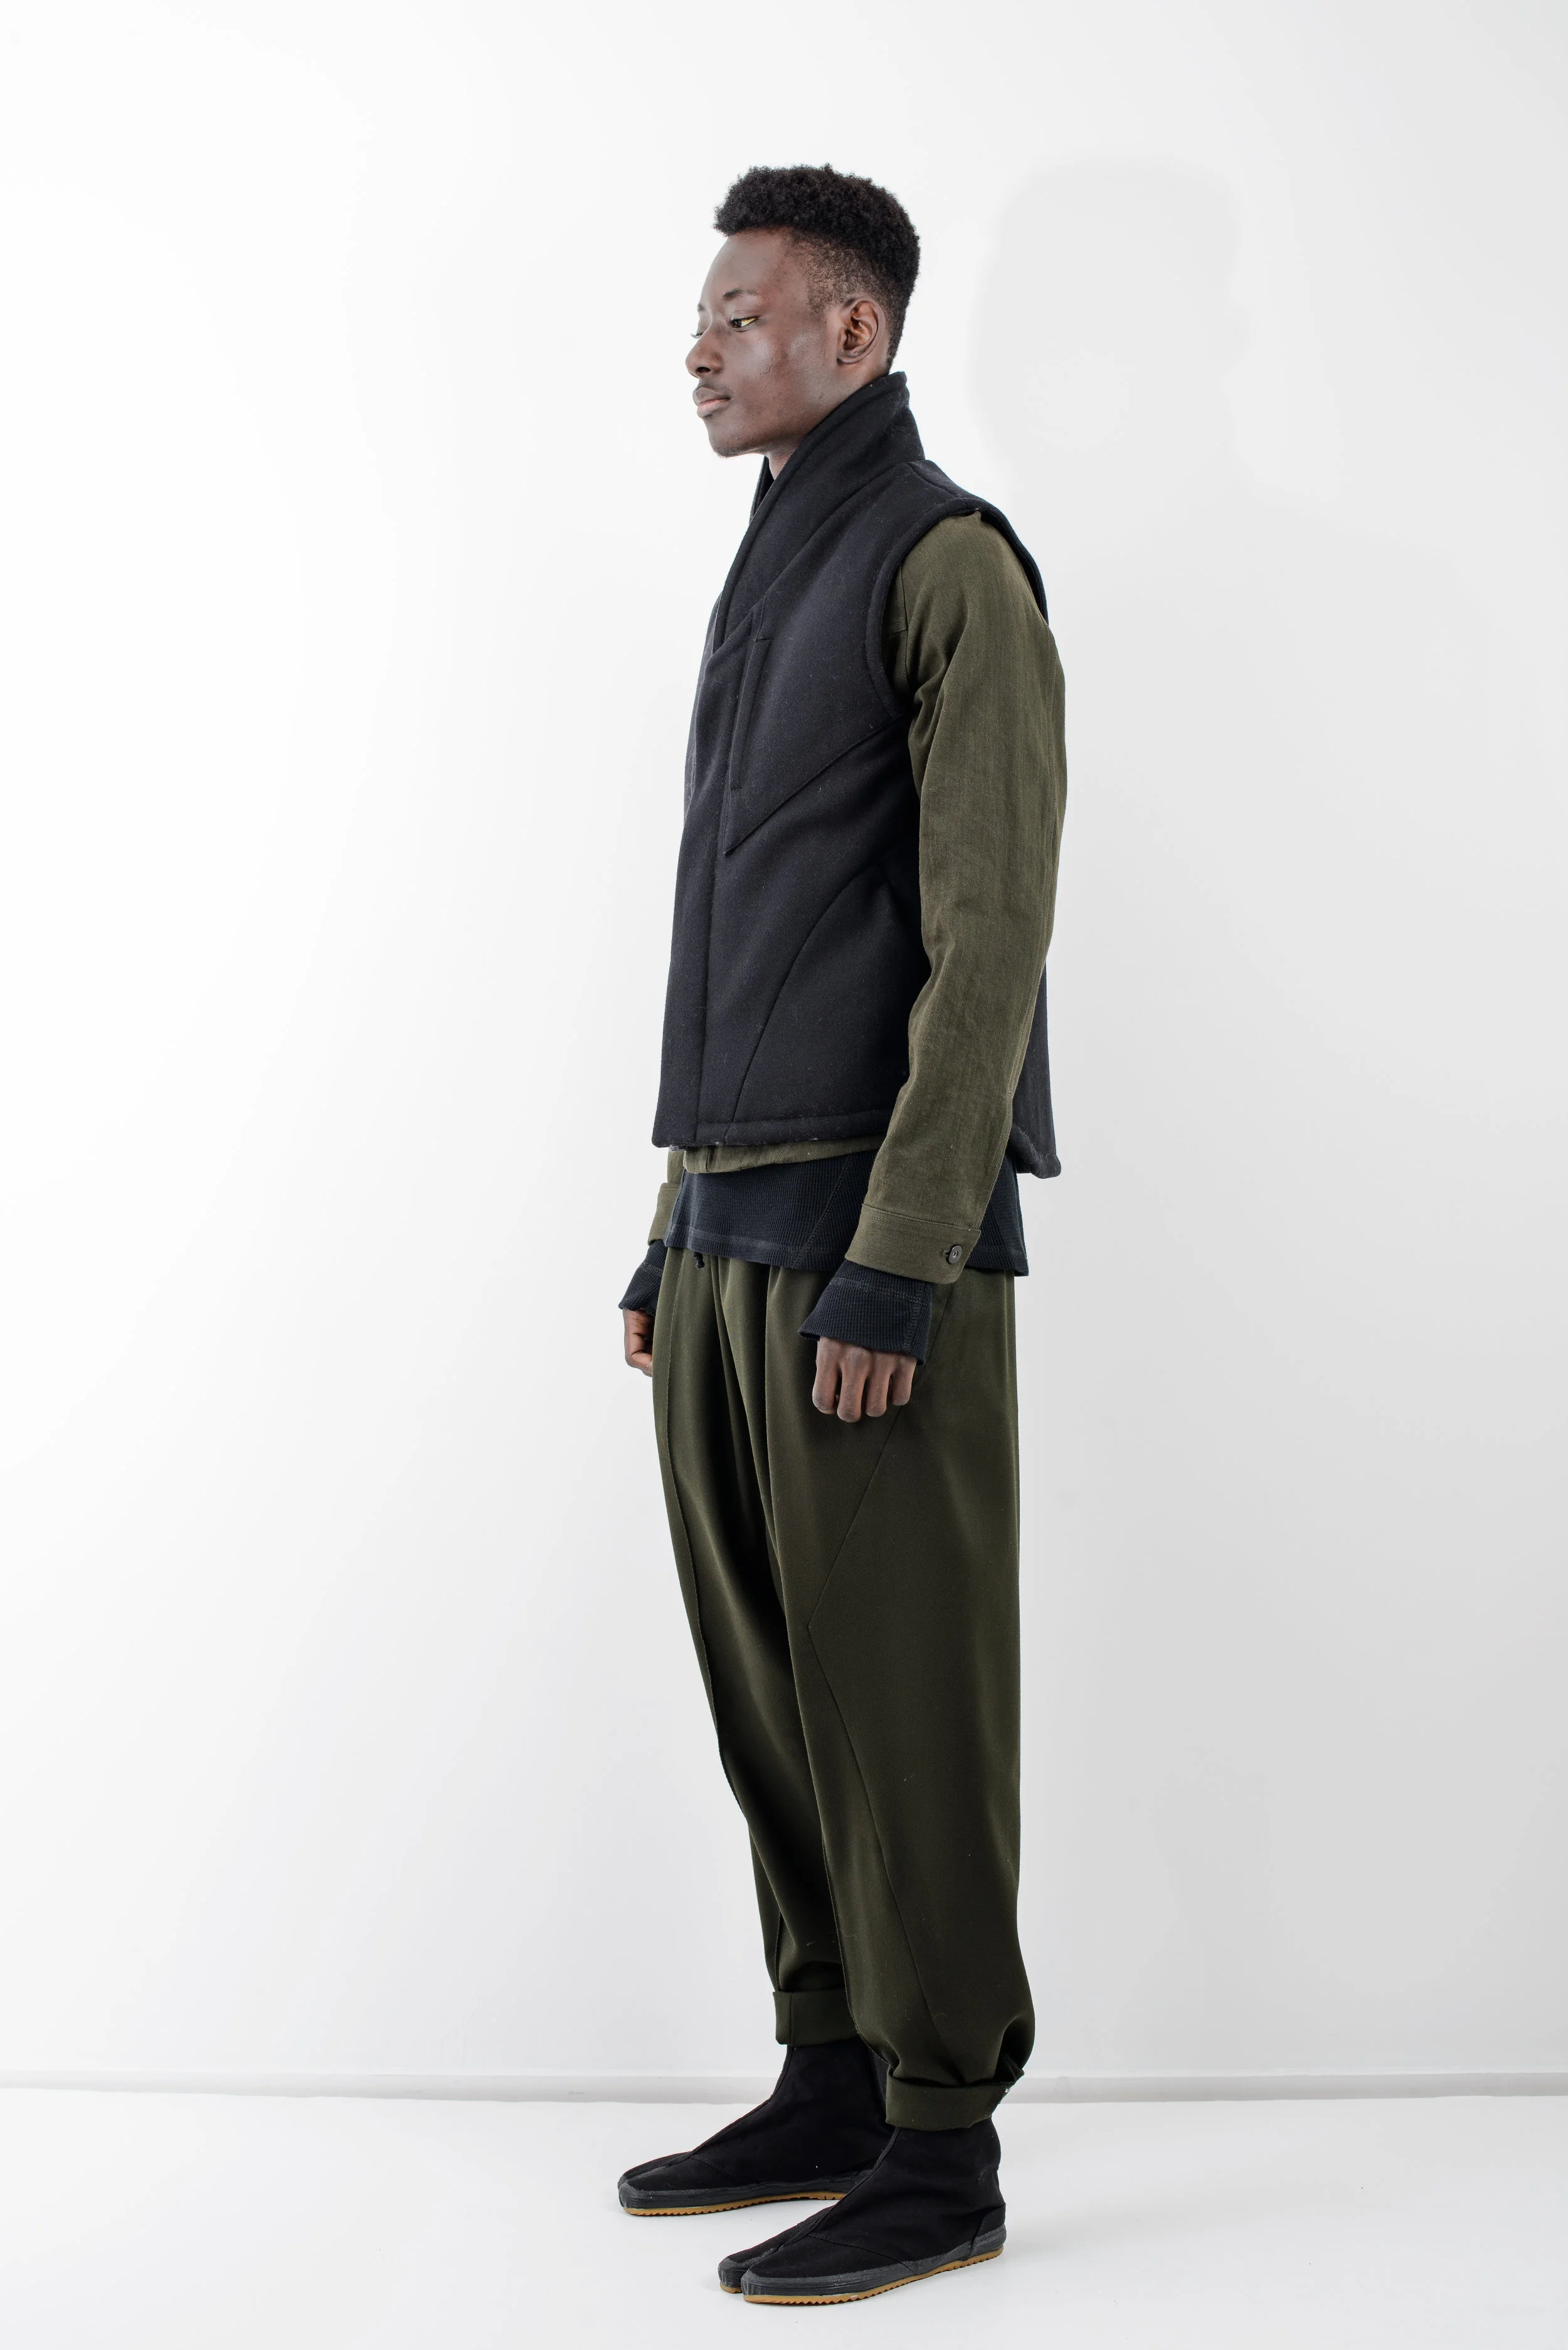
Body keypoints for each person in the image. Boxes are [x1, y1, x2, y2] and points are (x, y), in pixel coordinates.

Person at [615, 164, 1067, 2308]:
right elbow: (749, 937)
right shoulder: (767, 566)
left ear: (851, 333)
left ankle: (941, 2142)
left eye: (738, 313)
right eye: (703, 317)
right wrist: (667, 1228)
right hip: (727, 1230)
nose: (699, 347)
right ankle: (829, 2072)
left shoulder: (944, 561)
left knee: (904, 1704)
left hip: (867, 1247)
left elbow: (988, 949)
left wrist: (900, 1259)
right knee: (772, 1693)